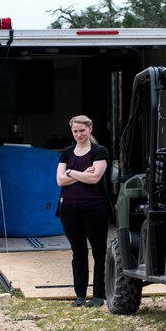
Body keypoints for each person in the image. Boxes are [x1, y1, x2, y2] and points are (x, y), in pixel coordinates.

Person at [56, 114, 112, 307]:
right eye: (75, 131)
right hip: (69, 208)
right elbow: (60, 180)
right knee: (78, 252)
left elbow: (94, 178)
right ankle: (80, 295)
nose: (79, 134)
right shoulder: (66, 152)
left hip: (95, 208)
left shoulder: (100, 151)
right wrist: (81, 174)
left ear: (90, 129)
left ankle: (98, 295)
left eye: (82, 130)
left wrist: (71, 172)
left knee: (99, 252)